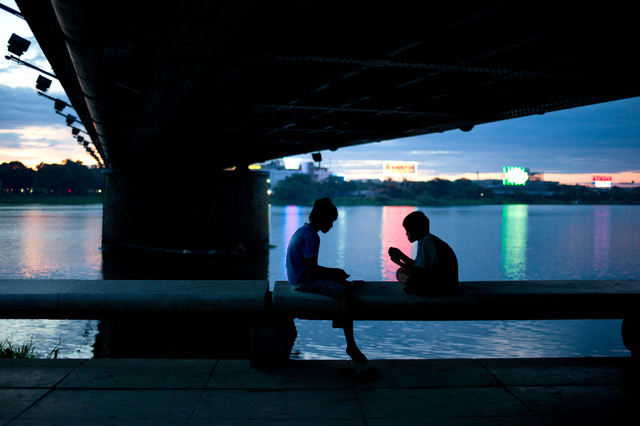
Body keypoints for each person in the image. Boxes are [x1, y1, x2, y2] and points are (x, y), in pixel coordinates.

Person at [286, 198, 368, 365]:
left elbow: (312, 267)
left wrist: (334, 274)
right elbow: (313, 270)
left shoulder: (303, 231)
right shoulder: (311, 236)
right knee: (348, 297)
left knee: (344, 285)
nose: (331, 225)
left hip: (298, 278)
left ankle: (340, 318)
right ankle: (351, 346)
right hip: (304, 282)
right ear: (322, 218)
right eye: (330, 221)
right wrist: (334, 273)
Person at [388, 211, 458, 296]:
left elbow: (416, 273)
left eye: (408, 230)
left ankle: (419, 289)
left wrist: (398, 262)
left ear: (417, 230)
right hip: (449, 285)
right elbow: (419, 267)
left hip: (442, 287)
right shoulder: (428, 239)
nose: (406, 234)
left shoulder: (425, 242)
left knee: (405, 276)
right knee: (401, 271)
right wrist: (401, 255)